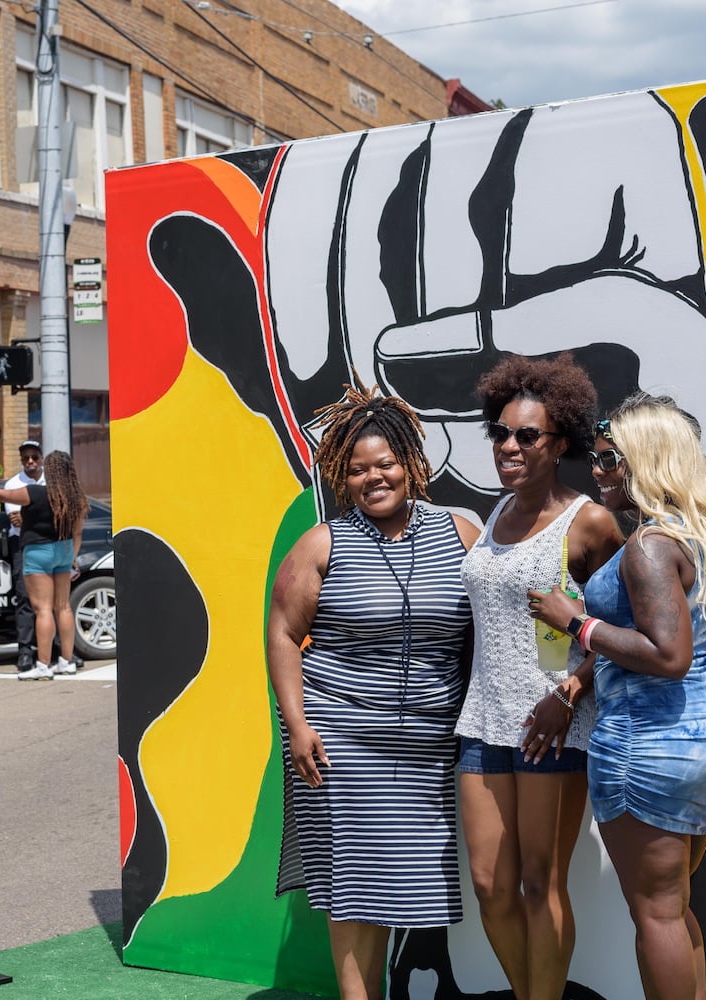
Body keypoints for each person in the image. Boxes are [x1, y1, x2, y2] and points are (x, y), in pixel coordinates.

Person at [529, 395, 706, 999]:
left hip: (650, 741)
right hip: (705, 737)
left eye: (613, 461)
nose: (600, 473)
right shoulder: (698, 537)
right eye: (600, 460)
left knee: (656, 913)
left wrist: (575, 621)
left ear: (650, 462)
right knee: (675, 907)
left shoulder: (648, 547)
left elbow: (667, 656)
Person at [266, 381, 480, 1000]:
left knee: (403, 886)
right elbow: (282, 632)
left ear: (413, 464)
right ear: (343, 478)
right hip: (342, 742)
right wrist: (298, 724)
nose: (373, 479)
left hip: (429, 748)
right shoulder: (324, 543)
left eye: (385, 464)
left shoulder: (459, 534)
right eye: (358, 471)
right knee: (355, 888)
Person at [456, 354, 623, 1000]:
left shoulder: (590, 523)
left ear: (561, 445)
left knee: (538, 882)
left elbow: (621, 631)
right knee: (491, 885)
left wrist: (572, 693)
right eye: (500, 432)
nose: (509, 446)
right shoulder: (492, 515)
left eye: (528, 436)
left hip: (554, 725)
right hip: (483, 722)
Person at [0, 450, 89, 681]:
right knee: (64, 607)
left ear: (51, 471)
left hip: (38, 552)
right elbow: (77, 532)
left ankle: (43, 665)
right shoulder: (75, 497)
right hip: (65, 550)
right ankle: (67, 661)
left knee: (42, 610)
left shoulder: (35, 492)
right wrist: (73, 557)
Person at [2, 440, 46, 673]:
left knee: (54, 601)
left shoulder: (53, 480)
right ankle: (26, 652)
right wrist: (43, 514)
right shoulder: (13, 484)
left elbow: (59, 513)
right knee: (25, 598)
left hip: (50, 543)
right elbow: (17, 520)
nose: (30, 462)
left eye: (34, 457)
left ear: (41, 457)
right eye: (25, 458)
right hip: (23, 545)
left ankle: (57, 649)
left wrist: (30, 516)